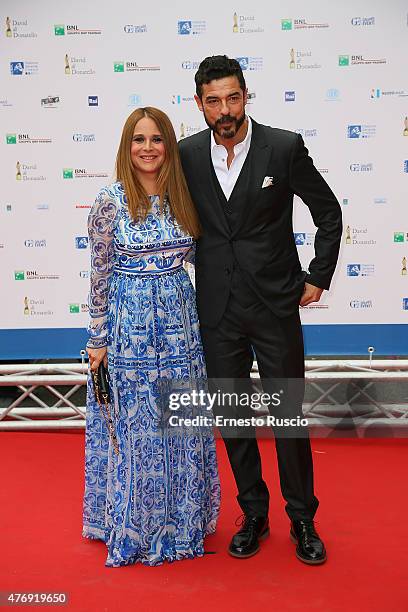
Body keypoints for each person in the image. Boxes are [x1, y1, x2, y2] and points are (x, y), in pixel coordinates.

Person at [178, 55, 342, 564]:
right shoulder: (184, 155)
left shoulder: (284, 147)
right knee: (233, 418)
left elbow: (328, 212)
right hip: (218, 311)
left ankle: (303, 519)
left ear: (245, 95)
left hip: (274, 306)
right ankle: (253, 512)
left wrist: (317, 276)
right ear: (199, 104)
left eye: (232, 97)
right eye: (213, 101)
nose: (224, 110)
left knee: (288, 418)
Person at [83, 107, 220, 567]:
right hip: (129, 331)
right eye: (138, 139)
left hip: (180, 329)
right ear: (127, 145)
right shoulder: (109, 200)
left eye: (157, 139)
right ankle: (135, 527)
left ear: (169, 146)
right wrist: (97, 338)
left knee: (180, 425)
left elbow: (208, 261)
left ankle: (184, 526)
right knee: (138, 427)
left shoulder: (185, 195)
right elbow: (99, 274)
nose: (147, 148)